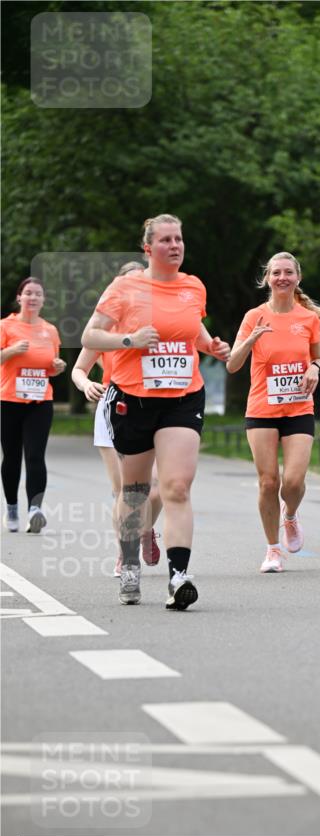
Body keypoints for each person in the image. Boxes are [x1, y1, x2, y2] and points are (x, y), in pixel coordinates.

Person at [81, 214, 230, 608]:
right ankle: (129, 562)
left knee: (177, 487)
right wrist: (129, 339)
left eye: (179, 239)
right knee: (134, 490)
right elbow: (89, 335)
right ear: (148, 248)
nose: (175, 246)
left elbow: (193, 331)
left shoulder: (193, 286)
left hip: (183, 397)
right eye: (165, 240)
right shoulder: (124, 287)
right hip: (134, 400)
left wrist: (211, 347)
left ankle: (178, 576)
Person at [227, 252, 320, 573]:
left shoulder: (308, 318)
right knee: (269, 482)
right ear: (267, 278)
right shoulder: (254, 316)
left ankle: (291, 516)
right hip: (262, 408)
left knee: (292, 481)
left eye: (288, 272)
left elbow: (318, 357)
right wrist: (249, 340)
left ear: (298, 278)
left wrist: (314, 368)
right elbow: (232, 364)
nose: (282, 277)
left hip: (298, 407)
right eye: (276, 272)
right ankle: (272, 550)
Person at [72, 261, 162, 577]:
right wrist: (86, 384)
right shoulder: (104, 328)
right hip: (113, 406)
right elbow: (79, 368)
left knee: (154, 492)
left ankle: (147, 528)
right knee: (125, 491)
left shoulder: (160, 322)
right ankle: (125, 555)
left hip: (154, 406)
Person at [1, 277, 66, 533]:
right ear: (19, 298)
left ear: (43, 300)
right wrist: (11, 351)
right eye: (28, 293)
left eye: (38, 294)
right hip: (8, 400)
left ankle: (35, 510)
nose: (33, 297)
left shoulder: (50, 330)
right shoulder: (5, 326)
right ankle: (12, 508)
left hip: (40, 400)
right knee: (12, 456)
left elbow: (53, 366)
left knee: (36, 455)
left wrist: (57, 368)